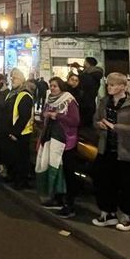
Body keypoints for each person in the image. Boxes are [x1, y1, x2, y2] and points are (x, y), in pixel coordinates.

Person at [91, 72, 130, 232]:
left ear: (123, 86)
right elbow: (95, 119)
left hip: (126, 151)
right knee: (104, 182)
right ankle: (108, 213)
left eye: (113, 85)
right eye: (108, 84)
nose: (109, 87)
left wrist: (116, 127)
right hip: (106, 149)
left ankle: (128, 216)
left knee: (127, 185)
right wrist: (99, 124)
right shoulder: (104, 102)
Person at [34, 77, 80, 212]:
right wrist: (45, 115)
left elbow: (75, 120)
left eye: (55, 86)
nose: (52, 88)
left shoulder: (69, 100)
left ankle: (68, 202)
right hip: (50, 140)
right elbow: (44, 115)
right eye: (51, 86)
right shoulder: (49, 100)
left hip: (65, 142)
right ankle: (55, 197)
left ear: (61, 87)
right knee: (53, 169)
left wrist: (57, 116)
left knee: (66, 173)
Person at [2, 69, 34, 188]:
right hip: (11, 132)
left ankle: (21, 181)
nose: (12, 79)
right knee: (13, 157)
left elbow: (24, 116)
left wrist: (15, 133)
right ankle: (13, 177)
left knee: (21, 159)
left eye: (14, 77)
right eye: (11, 77)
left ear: (21, 79)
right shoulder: (12, 93)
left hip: (21, 133)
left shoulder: (24, 95)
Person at [79, 57, 104, 128]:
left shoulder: (86, 75)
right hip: (91, 101)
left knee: (84, 124)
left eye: (84, 62)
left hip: (84, 103)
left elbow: (84, 84)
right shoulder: (95, 74)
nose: (83, 64)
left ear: (87, 63)